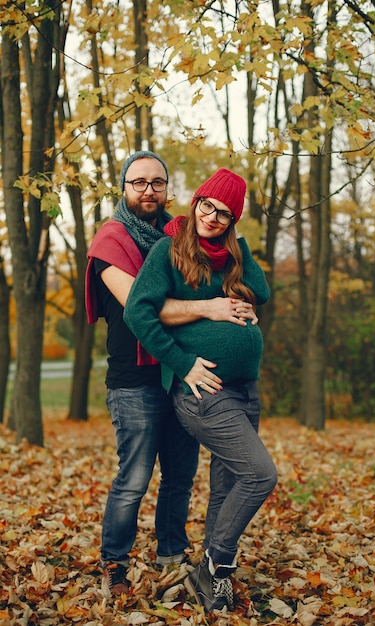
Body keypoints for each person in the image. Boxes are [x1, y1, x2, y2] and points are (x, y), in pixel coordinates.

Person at [85, 152, 257, 597]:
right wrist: (212, 308)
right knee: (136, 476)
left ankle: (171, 554)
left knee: (180, 474)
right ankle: (114, 563)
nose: (148, 190)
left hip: (179, 378)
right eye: (138, 182)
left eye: (157, 182)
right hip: (135, 378)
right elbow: (145, 309)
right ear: (124, 187)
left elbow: (239, 277)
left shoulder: (182, 236)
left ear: (169, 189)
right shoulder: (111, 243)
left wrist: (240, 302)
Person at [124, 168, 278, 613]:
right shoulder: (167, 250)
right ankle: (216, 562)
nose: (211, 217)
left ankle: (211, 583)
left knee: (228, 484)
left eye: (224, 214)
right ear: (195, 202)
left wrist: (240, 247)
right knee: (260, 474)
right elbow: (139, 313)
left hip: (245, 389)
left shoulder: (233, 255)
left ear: (233, 221)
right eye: (207, 206)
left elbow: (262, 292)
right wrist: (183, 363)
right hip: (203, 390)